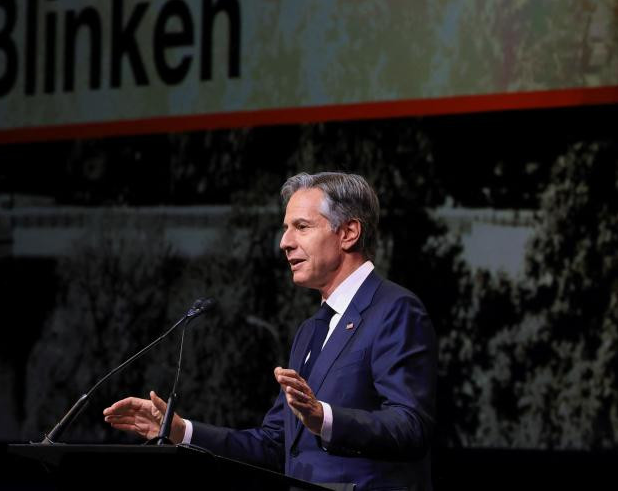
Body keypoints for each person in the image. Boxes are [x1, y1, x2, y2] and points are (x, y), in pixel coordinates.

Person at [103, 171, 437, 490]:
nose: (284, 242)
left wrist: (324, 418)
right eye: (286, 228)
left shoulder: (394, 310)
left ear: (349, 232)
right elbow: (275, 445)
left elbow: (411, 426)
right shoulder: (311, 330)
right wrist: (179, 430)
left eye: (301, 227)